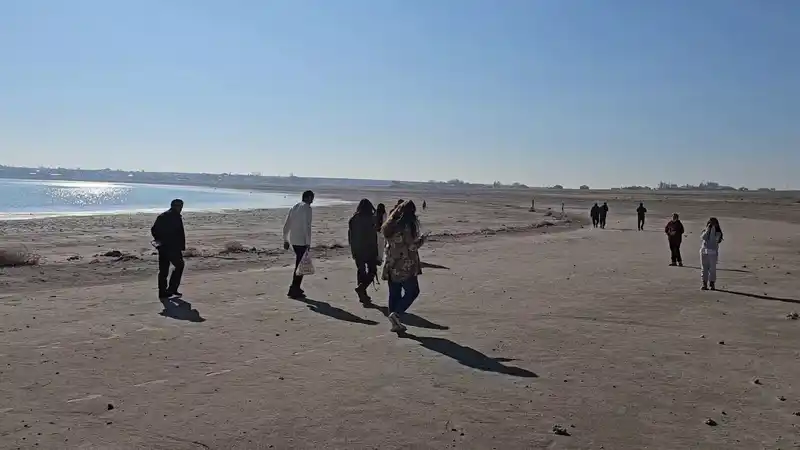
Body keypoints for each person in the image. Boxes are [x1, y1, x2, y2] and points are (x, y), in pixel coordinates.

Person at [381, 200, 424, 332]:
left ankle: (395, 323)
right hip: (405, 265)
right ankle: (397, 314)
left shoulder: (389, 225)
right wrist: (422, 240)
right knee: (413, 291)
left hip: (391, 264)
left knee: (394, 293)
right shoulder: (406, 227)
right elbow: (411, 246)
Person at [151, 199, 186, 300]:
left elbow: (154, 230)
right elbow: (178, 233)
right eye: (180, 206)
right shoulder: (174, 217)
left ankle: (163, 292)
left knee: (164, 269)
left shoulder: (163, 216)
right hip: (172, 247)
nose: (181, 208)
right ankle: (171, 289)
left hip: (163, 246)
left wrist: (159, 240)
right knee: (179, 265)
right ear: (176, 206)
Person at [283, 190, 314, 299]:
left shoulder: (294, 207)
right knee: (301, 265)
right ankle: (294, 288)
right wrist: (308, 242)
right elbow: (307, 226)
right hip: (302, 240)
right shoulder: (307, 208)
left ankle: (296, 287)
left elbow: (287, 223)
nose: (312, 200)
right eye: (312, 198)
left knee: (300, 264)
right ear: (308, 197)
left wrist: (285, 239)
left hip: (294, 240)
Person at [348, 199, 379, 304]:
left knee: (361, 271)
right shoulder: (371, 218)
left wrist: (353, 250)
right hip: (370, 248)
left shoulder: (353, 219)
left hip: (357, 249)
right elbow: (374, 235)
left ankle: (362, 294)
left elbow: (350, 236)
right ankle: (362, 289)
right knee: (372, 271)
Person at [700, 217, 724, 291]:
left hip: (712, 252)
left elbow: (713, 241)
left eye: (713, 223)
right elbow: (704, 237)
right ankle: (704, 283)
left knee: (712, 269)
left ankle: (712, 283)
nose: (711, 225)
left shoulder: (718, 233)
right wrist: (708, 229)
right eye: (710, 223)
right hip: (704, 251)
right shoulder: (705, 230)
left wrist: (713, 230)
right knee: (704, 268)